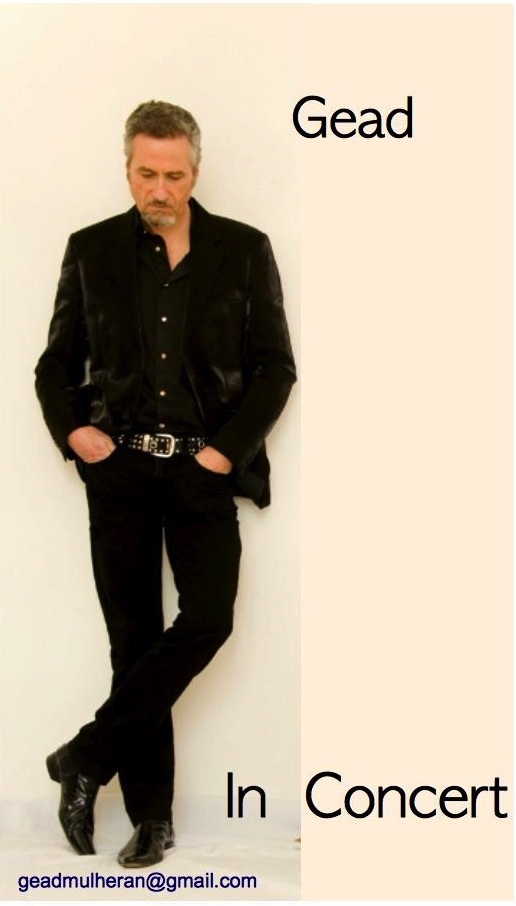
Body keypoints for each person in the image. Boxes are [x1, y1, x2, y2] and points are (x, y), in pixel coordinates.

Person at [35, 100, 296, 868]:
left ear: (196, 170)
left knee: (209, 618)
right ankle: (153, 820)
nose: (160, 189)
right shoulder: (90, 249)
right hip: (118, 470)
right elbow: (55, 365)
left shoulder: (243, 249)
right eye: (146, 173)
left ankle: (84, 756)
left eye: (174, 175)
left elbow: (275, 369)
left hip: (200, 469)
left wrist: (221, 455)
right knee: (135, 641)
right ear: (127, 169)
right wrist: (75, 433)